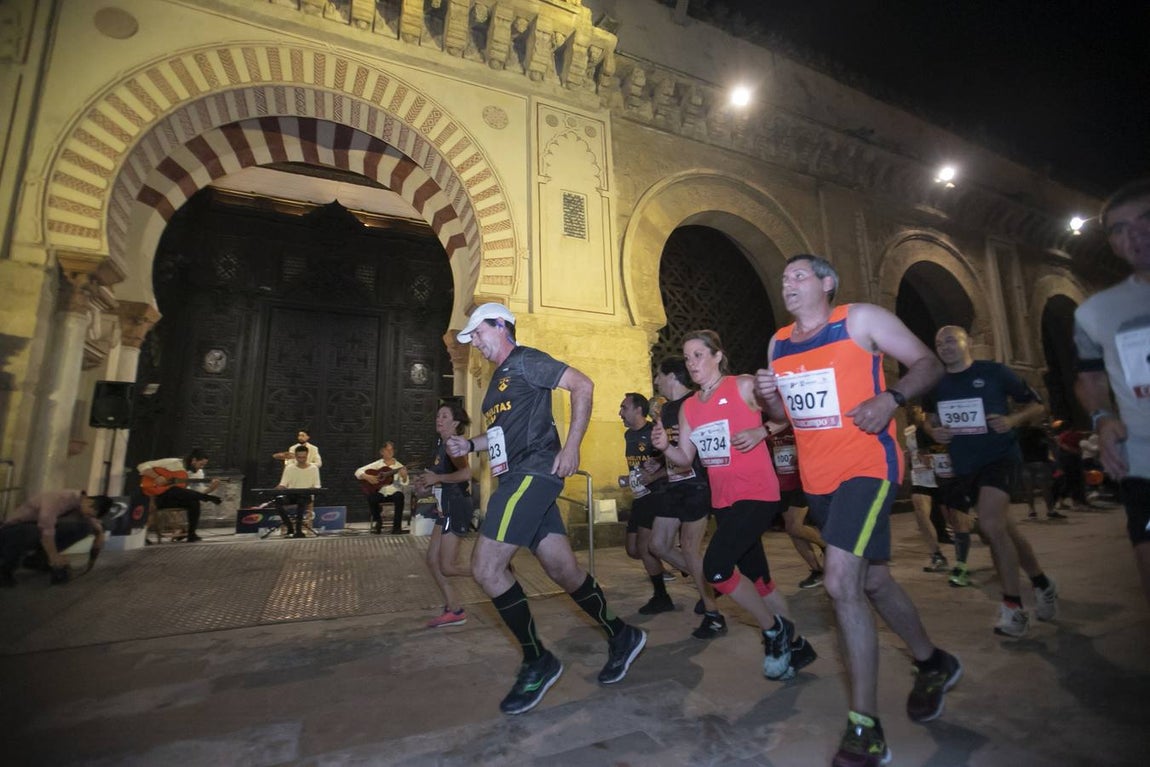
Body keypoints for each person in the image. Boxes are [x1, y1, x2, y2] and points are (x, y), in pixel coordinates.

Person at [756, 254, 960, 767]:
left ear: (828, 281)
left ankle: (865, 728)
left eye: (799, 275)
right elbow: (786, 415)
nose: (788, 283)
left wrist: (891, 398)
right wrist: (769, 399)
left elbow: (927, 363)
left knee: (840, 580)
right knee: (873, 581)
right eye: (784, 278)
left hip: (867, 468)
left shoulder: (860, 319)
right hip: (818, 480)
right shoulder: (778, 343)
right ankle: (933, 661)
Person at [446, 303, 646, 715]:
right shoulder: (497, 382)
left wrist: (571, 446)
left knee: (486, 568)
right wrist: (470, 445)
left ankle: (538, 659)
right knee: (562, 569)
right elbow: (500, 434)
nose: (477, 344)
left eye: (479, 334)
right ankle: (621, 634)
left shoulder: (526, 361)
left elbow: (583, 384)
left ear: (500, 326)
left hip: (532, 475)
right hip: (517, 477)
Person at [652, 330, 817, 682]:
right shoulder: (691, 407)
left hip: (757, 493)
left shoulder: (742, 385)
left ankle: (773, 631)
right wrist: (664, 448)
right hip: (723, 500)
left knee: (716, 568)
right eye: (687, 357)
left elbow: (785, 412)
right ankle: (797, 644)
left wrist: (762, 432)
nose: (692, 363)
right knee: (759, 580)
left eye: (698, 355)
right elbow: (684, 459)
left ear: (717, 356)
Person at [928, 325, 1058, 637]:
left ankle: (1013, 609)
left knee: (989, 524)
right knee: (1002, 528)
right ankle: (1042, 583)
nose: (944, 346)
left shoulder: (995, 372)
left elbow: (1038, 405)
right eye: (938, 342)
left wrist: (1012, 420)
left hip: (1000, 458)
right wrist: (936, 432)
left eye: (950, 339)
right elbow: (931, 420)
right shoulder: (936, 384)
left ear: (967, 342)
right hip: (966, 466)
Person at [1073, 177, 1150, 605]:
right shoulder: (1094, 313)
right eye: (1120, 229)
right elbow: (1090, 380)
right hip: (1143, 464)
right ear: (1113, 245)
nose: (1134, 235)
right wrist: (1102, 419)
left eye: (1145, 220)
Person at [649, 356, 728, 640]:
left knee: (691, 549)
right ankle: (709, 583)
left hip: (697, 485)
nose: (656, 381)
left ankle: (713, 615)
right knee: (657, 544)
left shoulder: (695, 403)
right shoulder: (666, 409)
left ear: (671, 376)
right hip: (673, 485)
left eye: (659, 374)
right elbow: (671, 448)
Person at [415, 401, 475, 627]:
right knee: (432, 560)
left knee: (448, 566)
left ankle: (495, 569)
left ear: (456, 422)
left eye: (444, 416)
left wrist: (437, 479)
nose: (438, 419)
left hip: (457, 505)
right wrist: (425, 486)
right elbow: (437, 478)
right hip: (445, 507)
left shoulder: (453, 446)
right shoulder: (441, 444)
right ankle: (455, 608)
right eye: (438, 415)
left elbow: (467, 473)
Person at [618, 392, 673, 614]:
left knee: (645, 546)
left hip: (658, 495)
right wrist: (627, 477)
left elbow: (674, 464)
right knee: (633, 550)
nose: (620, 412)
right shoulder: (628, 435)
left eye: (624, 408)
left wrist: (653, 477)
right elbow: (638, 466)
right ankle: (669, 561)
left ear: (638, 410)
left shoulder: (654, 433)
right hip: (640, 498)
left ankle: (662, 597)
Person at [1, 491, 115, 586]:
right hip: (11, 531)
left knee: (85, 526)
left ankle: (37, 560)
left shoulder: (80, 503)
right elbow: (46, 529)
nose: (88, 517)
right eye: (90, 514)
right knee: (34, 532)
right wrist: (54, 556)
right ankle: (5, 569)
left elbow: (92, 521)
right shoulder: (58, 499)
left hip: (35, 528)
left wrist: (99, 533)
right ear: (89, 502)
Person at [767, 420, 828, 589]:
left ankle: (828, 546)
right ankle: (817, 570)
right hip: (781, 486)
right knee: (792, 530)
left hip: (801, 483)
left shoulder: (796, 424)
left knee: (794, 526)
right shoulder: (766, 428)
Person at [137, 450, 222, 543]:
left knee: (193, 501)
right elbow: (141, 466)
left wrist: (210, 489)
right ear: (194, 460)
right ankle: (207, 498)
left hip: (173, 498)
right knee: (175, 490)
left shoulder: (197, 474)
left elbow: (194, 493)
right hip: (158, 497)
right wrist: (157, 477)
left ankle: (191, 535)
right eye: (201, 464)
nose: (201, 467)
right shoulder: (173, 463)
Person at [904, 406, 950, 573]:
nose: (913, 413)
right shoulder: (909, 431)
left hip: (943, 475)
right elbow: (911, 452)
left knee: (957, 520)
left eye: (918, 410)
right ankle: (937, 555)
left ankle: (983, 529)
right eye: (912, 411)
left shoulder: (939, 426)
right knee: (921, 514)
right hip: (921, 477)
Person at [355, 442, 409, 534]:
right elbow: (358, 471)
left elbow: (405, 483)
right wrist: (367, 477)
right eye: (387, 450)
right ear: (382, 452)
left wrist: (404, 477)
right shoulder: (377, 464)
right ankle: (378, 522)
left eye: (391, 450)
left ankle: (397, 527)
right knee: (371, 498)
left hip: (394, 493)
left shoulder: (399, 466)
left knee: (399, 496)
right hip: (380, 492)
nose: (390, 452)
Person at [1018, 421, 1063, 520]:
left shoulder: (1019, 434)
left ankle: (1032, 511)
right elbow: (1051, 445)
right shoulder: (1039, 432)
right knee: (1045, 488)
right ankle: (1050, 510)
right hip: (1040, 462)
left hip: (1026, 463)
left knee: (1029, 490)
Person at [275, 445, 322, 538]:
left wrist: (313, 490)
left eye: (304, 457)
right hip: (291, 495)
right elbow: (283, 484)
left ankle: (299, 530)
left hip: (305, 496)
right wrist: (277, 489)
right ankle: (289, 528)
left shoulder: (313, 468)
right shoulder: (289, 468)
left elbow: (317, 486)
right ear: (295, 457)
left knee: (301, 502)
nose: (302, 459)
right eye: (299, 457)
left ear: (307, 456)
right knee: (278, 503)